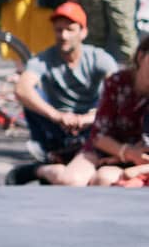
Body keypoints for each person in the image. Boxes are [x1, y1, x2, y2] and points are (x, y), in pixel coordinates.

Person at [5, 2, 117, 181]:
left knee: (114, 99)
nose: (63, 36)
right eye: (58, 30)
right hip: (56, 124)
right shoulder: (44, 58)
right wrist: (57, 115)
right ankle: (47, 150)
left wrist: (92, 116)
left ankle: (52, 163)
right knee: (29, 94)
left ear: (83, 32)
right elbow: (22, 88)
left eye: (70, 30)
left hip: (91, 123)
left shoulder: (98, 58)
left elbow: (120, 89)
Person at [39, 35, 149, 187]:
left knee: (105, 180)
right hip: (105, 148)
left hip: (138, 160)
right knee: (71, 181)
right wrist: (126, 152)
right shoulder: (117, 83)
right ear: (141, 56)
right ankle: (40, 170)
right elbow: (99, 136)